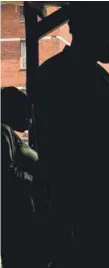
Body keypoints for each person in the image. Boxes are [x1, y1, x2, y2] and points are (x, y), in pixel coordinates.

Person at [34, 4, 109, 267]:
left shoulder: (91, 77)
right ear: (92, 30)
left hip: (104, 220)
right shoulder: (60, 77)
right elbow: (64, 157)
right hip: (88, 224)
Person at [1, 87, 48, 268]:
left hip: (23, 216)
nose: (30, 120)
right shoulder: (3, 131)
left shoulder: (10, 134)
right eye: (26, 113)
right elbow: (6, 173)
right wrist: (39, 181)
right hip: (19, 219)